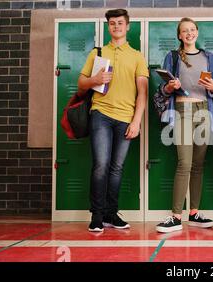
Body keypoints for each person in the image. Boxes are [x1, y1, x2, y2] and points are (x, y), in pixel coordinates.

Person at [78, 9, 149, 232]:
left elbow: (142, 93)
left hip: (125, 118)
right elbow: (81, 85)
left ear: (128, 26)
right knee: (101, 166)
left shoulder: (137, 56)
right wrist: (94, 79)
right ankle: (97, 216)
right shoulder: (97, 53)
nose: (116, 26)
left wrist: (136, 121)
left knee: (117, 168)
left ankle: (111, 213)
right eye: (112, 23)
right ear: (108, 27)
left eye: (120, 23)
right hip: (101, 114)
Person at [155, 18, 213, 233]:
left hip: (204, 111)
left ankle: (194, 213)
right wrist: (170, 86)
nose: (189, 33)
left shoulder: (208, 57)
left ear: (197, 32)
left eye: (192, 30)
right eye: (185, 31)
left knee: (198, 165)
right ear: (179, 35)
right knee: (184, 163)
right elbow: (163, 89)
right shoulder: (173, 56)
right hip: (182, 111)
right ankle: (176, 216)